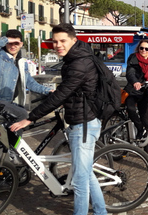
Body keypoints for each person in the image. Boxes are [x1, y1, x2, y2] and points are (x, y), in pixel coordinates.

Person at [10, 24, 107, 215]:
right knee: (86, 174)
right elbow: (72, 91)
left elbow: (63, 93)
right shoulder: (75, 58)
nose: (58, 45)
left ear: (73, 40)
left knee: (79, 181)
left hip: (84, 126)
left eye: (62, 41)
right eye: (55, 41)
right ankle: (101, 211)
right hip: (81, 120)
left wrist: (30, 118)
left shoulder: (79, 62)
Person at [0, 29, 52, 126]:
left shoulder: (22, 63)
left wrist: (49, 91)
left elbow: (30, 83)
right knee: (22, 115)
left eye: (16, 43)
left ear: (21, 44)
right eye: (10, 43)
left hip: (7, 104)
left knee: (3, 137)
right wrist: (5, 40)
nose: (13, 46)